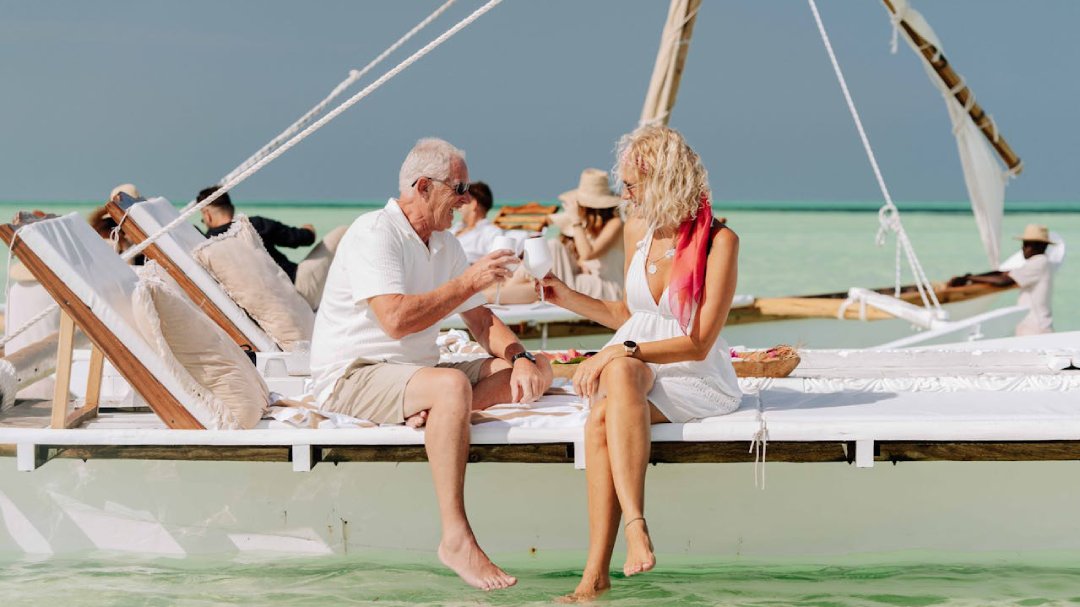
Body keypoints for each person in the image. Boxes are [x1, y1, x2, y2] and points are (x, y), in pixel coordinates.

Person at [309, 138, 553, 591]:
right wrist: (467, 282)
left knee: (538, 370)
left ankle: (437, 413)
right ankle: (456, 537)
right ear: (423, 187)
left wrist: (521, 358)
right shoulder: (374, 233)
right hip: (353, 374)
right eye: (458, 187)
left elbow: (481, 321)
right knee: (449, 388)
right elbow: (397, 320)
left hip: (414, 376)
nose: (466, 199)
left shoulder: (443, 243)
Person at [537, 125, 742, 602]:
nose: (625, 195)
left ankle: (600, 565)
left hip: (693, 373)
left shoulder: (718, 241)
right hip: (635, 362)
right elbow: (630, 317)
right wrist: (565, 296)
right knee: (620, 380)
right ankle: (622, 542)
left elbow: (697, 342)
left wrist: (620, 350)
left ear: (664, 181)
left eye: (631, 185)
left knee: (603, 414)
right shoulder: (638, 230)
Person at [483, 168, 625, 305]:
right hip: (587, 279)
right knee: (543, 260)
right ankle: (496, 293)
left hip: (607, 288)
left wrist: (576, 221)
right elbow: (584, 256)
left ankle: (493, 296)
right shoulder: (587, 224)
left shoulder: (615, 223)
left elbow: (588, 254)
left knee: (552, 251)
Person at [197, 186, 345, 309]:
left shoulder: (208, 245)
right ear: (231, 208)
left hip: (273, 306)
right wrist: (309, 229)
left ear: (207, 215)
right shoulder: (253, 225)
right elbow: (301, 239)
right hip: (298, 289)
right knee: (344, 232)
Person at [950, 224, 1056, 336]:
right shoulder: (1039, 263)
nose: (1023, 248)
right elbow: (1003, 273)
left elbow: (1004, 281)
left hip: (1036, 328)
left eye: (1026, 244)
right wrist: (969, 277)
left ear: (1040, 246)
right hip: (1034, 326)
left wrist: (969, 278)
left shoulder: (1039, 263)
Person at [453, 181, 504, 263]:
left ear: (473, 204)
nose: (459, 205)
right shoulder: (456, 227)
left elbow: (495, 263)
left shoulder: (491, 233)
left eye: (463, 200)